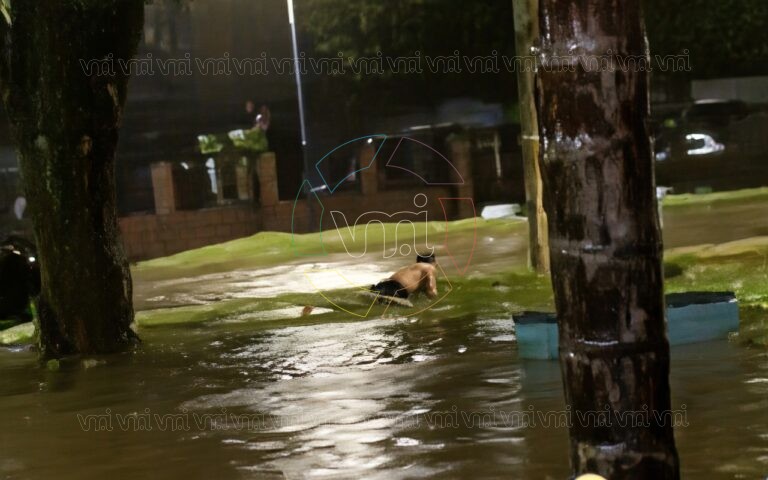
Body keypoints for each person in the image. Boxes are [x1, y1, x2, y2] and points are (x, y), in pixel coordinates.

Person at [370, 253, 438, 301]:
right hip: (397, 290)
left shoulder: (408, 268)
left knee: (378, 296)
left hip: (382, 285)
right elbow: (431, 291)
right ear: (434, 263)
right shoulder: (430, 267)